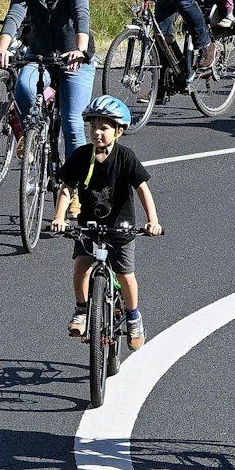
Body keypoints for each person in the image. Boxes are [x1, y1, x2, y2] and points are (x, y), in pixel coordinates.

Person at [49, 96, 162, 349]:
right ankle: (81, 309)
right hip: (88, 225)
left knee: (125, 275)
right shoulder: (81, 156)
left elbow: (143, 189)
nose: (97, 132)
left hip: (121, 226)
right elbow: (66, 188)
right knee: (81, 265)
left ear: (118, 131)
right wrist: (59, 217)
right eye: (93, 127)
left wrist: (152, 221)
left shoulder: (125, 157)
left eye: (104, 127)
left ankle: (134, 318)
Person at [0, 0, 95, 161]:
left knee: (72, 123)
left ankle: (74, 188)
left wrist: (80, 50)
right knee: (23, 88)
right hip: (40, 55)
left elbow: (82, 15)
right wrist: (2, 47)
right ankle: (31, 134)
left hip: (73, 58)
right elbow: (14, 15)